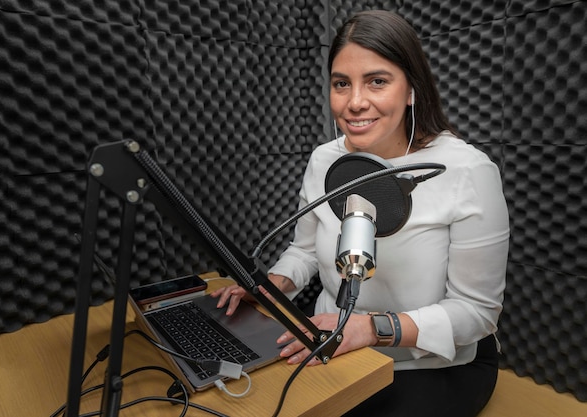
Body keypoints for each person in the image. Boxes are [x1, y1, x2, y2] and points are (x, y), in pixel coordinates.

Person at [212, 10, 510, 417]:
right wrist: (268, 288)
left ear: (411, 89)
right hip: (328, 340)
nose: (354, 102)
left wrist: (370, 329)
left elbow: (477, 313)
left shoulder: (469, 171)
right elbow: (302, 252)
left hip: (430, 363)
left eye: (377, 81)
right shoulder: (324, 160)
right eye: (341, 84)